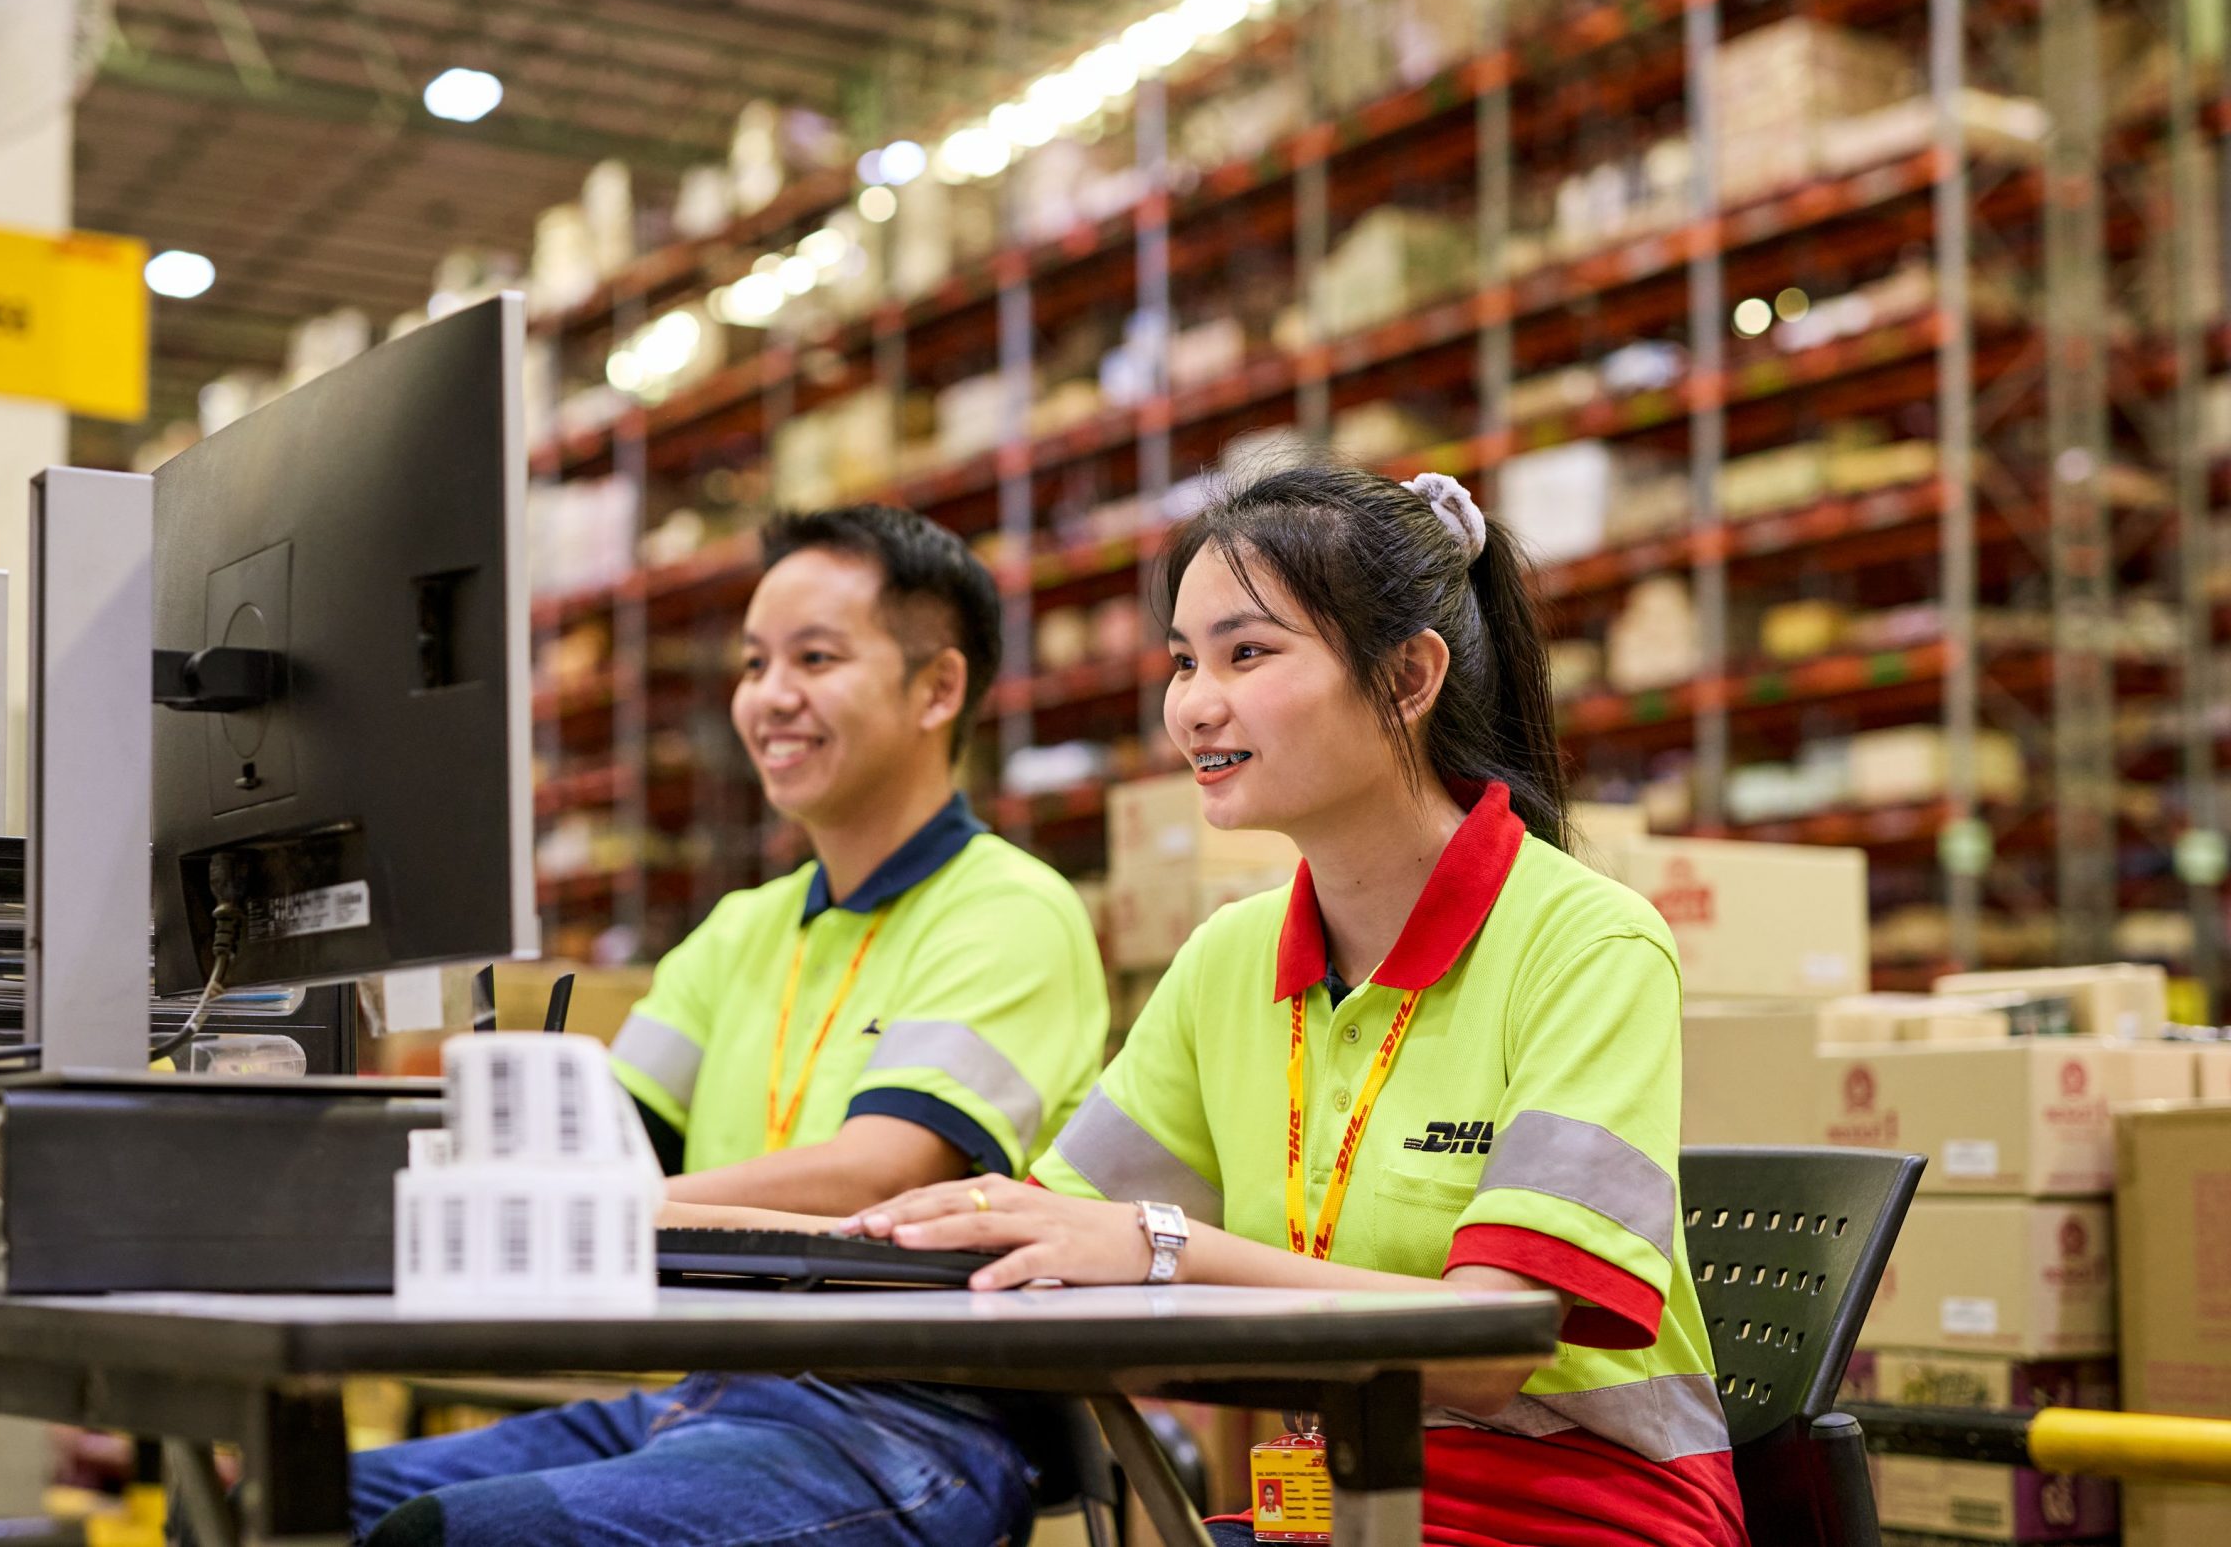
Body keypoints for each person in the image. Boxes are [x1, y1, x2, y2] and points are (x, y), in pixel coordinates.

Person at [846, 463, 1749, 1547]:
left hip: (1572, 1517)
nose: (1193, 704)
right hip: (1326, 1509)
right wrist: (737, 1231)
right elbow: (1055, 1236)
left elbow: (1493, 1340)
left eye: (1247, 653)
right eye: (1184, 660)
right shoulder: (1228, 959)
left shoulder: (1590, 943)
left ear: (1408, 677)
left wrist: (1165, 1247)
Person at [352, 503, 1109, 1547]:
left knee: (453, 1536)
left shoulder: (1009, 910)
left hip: (908, 1420)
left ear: (938, 688)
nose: (769, 696)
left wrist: (595, 1205)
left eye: (815, 658)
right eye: (755, 663)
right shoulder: (743, 929)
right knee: (301, 1500)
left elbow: (882, 1173)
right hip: (710, 1392)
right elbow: (599, 1137)